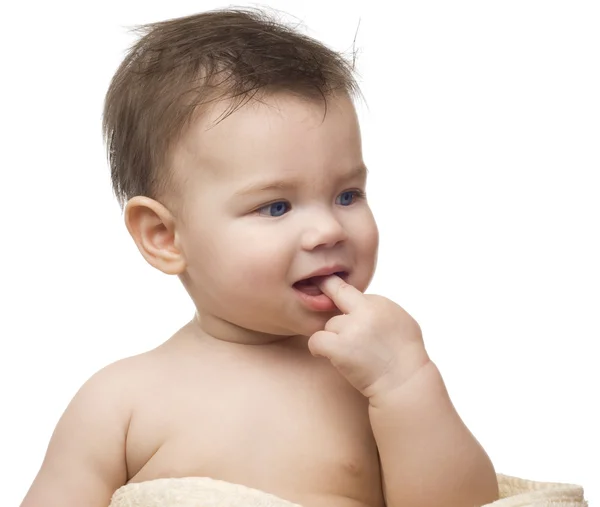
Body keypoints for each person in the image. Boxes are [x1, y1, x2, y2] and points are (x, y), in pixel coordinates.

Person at [21, 7, 499, 507]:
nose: (328, 229)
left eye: (347, 195)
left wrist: (408, 385)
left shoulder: (371, 380)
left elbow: (469, 504)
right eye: (276, 206)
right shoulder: (117, 403)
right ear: (164, 235)